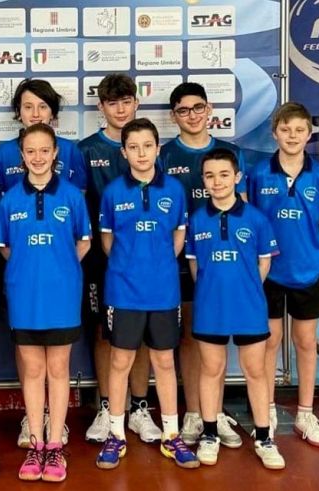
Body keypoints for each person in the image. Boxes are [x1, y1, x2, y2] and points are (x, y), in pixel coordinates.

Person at [95, 119, 198, 470]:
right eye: (133, 147)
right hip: (123, 291)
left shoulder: (174, 190)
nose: (141, 153)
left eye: (147, 146)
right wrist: (132, 267)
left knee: (164, 361)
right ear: (124, 152)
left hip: (164, 291)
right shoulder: (113, 192)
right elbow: (108, 242)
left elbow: (178, 238)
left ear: (158, 149)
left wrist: (157, 265)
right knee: (120, 361)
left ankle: (171, 435)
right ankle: (115, 434)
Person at [0, 78, 86, 447]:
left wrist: (61, 265)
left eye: (42, 106)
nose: (38, 156)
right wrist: (28, 264)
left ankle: (55, 435)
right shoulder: (7, 189)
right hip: (23, 287)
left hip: (61, 289)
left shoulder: (72, 185)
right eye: (31, 151)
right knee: (31, 365)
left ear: (56, 152)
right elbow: (5, 244)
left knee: (58, 366)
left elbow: (82, 238)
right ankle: (34, 430)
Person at [186, 148, 285, 470]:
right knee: (211, 370)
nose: (217, 182)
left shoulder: (256, 219)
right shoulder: (196, 219)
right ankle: (210, 433)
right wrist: (213, 291)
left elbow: (264, 264)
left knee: (255, 371)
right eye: (210, 176)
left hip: (249, 308)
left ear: (237, 177)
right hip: (210, 308)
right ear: (203, 180)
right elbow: (196, 267)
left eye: (224, 175)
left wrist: (245, 288)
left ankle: (264, 437)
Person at [159, 82, 247, 447]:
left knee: (216, 338)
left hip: (222, 263)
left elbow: (242, 208)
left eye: (198, 108)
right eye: (183, 110)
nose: (192, 115)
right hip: (179, 262)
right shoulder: (164, 155)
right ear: (174, 116)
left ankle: (216, 412)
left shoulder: (230, 153)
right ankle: (194, 413)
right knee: (190, 337)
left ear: (209, 110)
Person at [78, 74, 161, 444]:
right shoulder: (86, 151)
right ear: (101, 107)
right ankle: (107, 406)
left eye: (126, 101)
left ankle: (140, 407)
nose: (121, 109)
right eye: (113, 103)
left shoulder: (151, 147)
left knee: (140, 333)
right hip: (100, 259)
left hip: (145, 261)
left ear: (136, 102)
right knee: (104, 332)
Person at [247, 102, 319, 446]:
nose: (292, 136)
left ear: (309, 134)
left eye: (299, 130)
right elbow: (252, 218)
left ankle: (305, 413)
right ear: (274, 133)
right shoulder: (259, 173)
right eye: (285, 130)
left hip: (308, 269)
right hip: (269, 270)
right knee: (269, 342)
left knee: (306, 342)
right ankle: (266, 409)